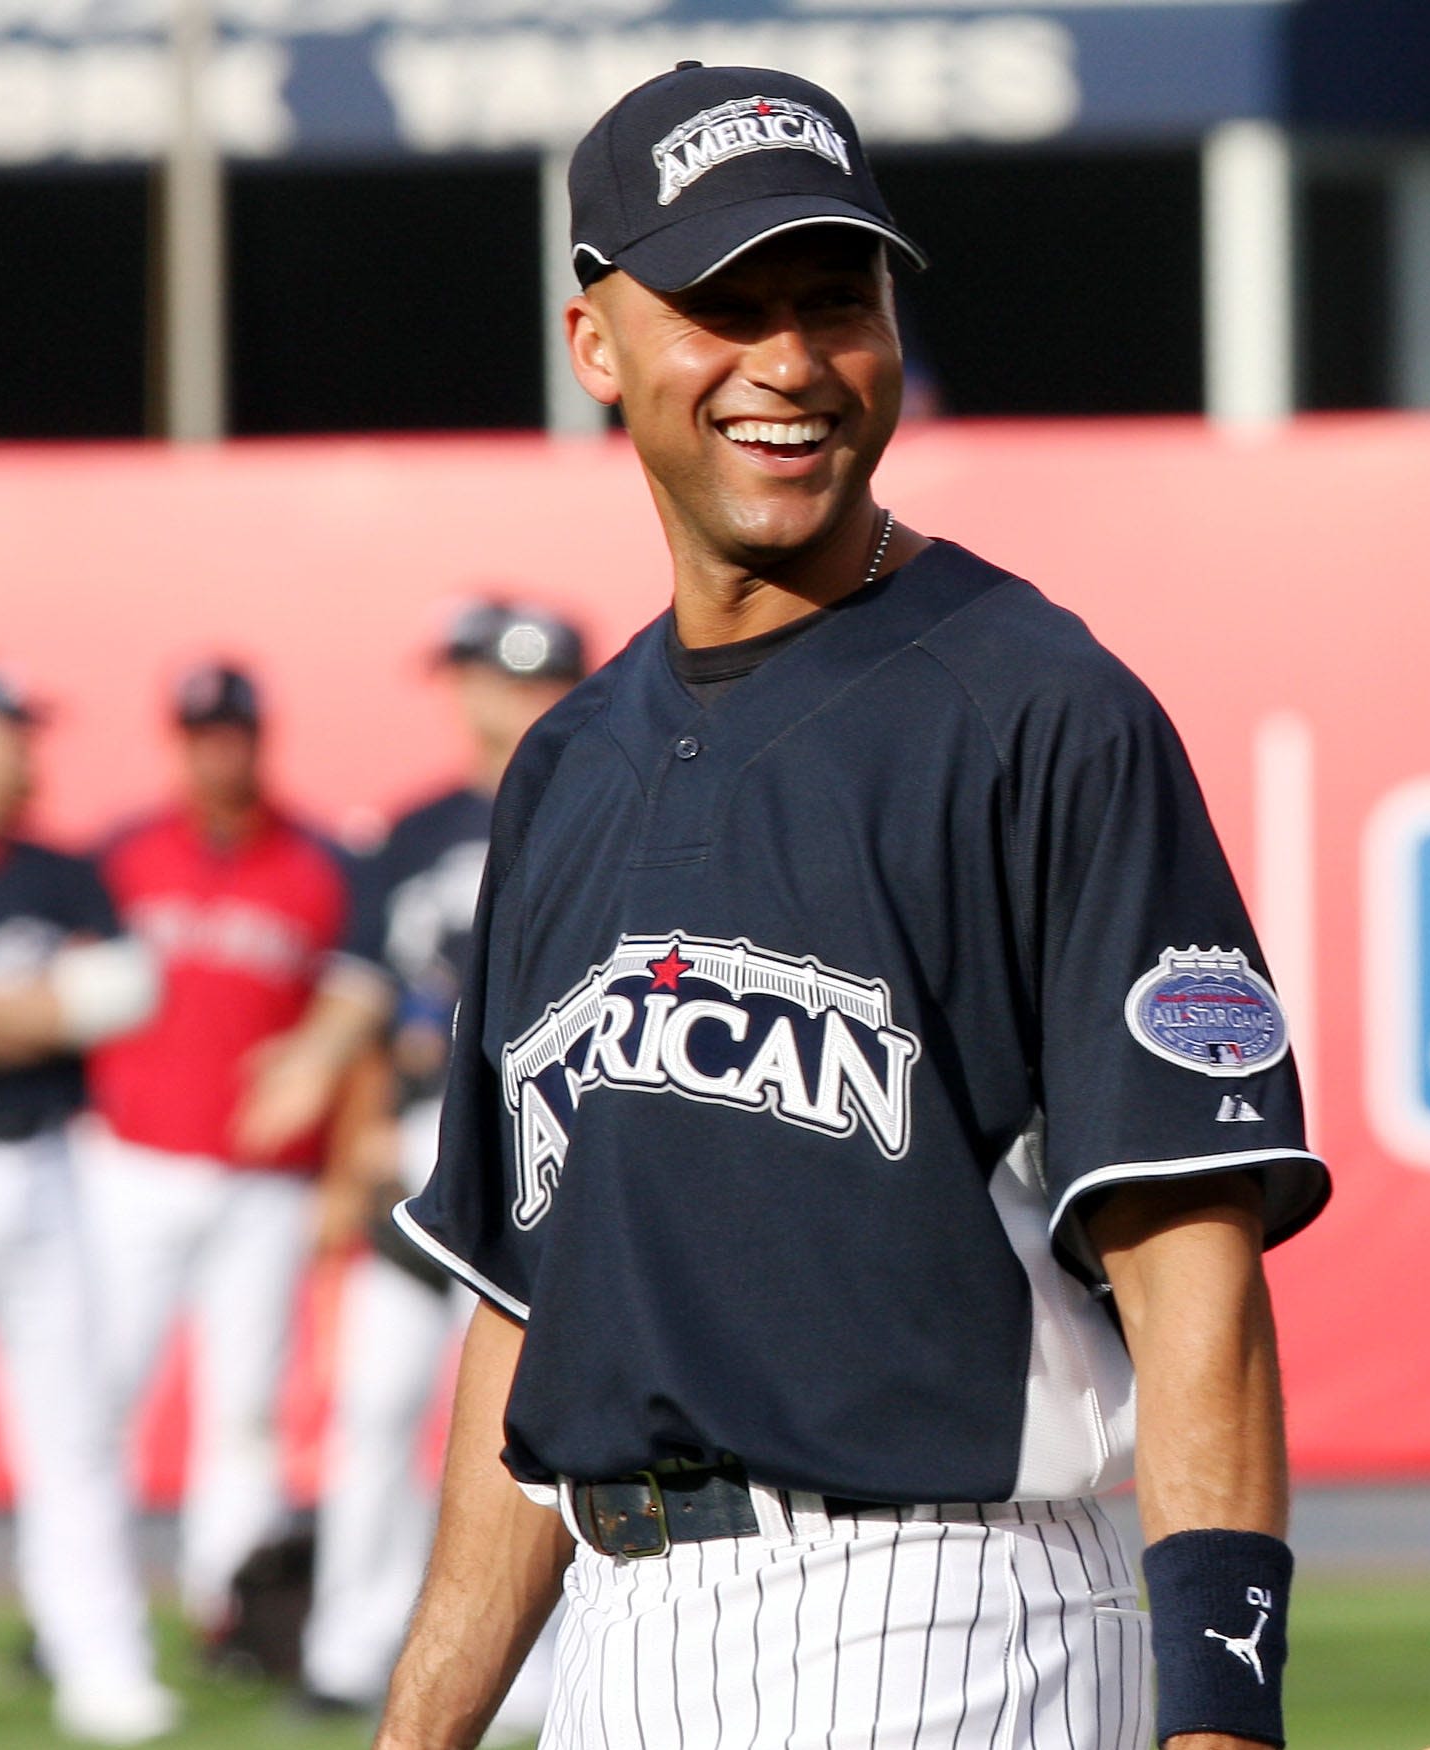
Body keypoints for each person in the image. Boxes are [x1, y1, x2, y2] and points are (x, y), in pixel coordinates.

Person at [372, 63, 1328, 1750]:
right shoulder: (570, 763)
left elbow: (1192, 1267)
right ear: (596, 341)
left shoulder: (1035, 706)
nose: (793, 364)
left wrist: (1222, 1714)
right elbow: (531, 1321)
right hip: (614, 1621)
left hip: (939, 1613)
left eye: (835, 301)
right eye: (724, 309)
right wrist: (423, 1726)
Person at [299, 601, 586, 1726]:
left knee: (546, 1415)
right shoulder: (415, 833)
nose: (490, 699)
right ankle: (348, 1640)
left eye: (513, 678)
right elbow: (367, 1004)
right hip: (426, 1148)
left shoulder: (605, 802)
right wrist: (339, 1147)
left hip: (553, 1140)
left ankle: (551, 1653)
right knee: (377, 1401)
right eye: (477, 675)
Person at [82, 659, 356, 1640]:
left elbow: (352, 1006)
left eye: (233, 733)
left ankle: (225, 1607)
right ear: (180, 741)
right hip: (131, 1162)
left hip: (265, 1182)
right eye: (203, 735)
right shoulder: (121, 856)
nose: (219, 752)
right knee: (100, 1389)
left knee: (245, 1406)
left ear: (258, 738)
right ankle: (85, 1607)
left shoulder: (319, 862)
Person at [0, 667, 173, 1743]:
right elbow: (73, 1002)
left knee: (76, 1432)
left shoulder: (58, 873)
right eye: (9, 732)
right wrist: (38, 1010)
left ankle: (103, 1666)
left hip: (50, 1165)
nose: (25, 755)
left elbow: (125, 996)